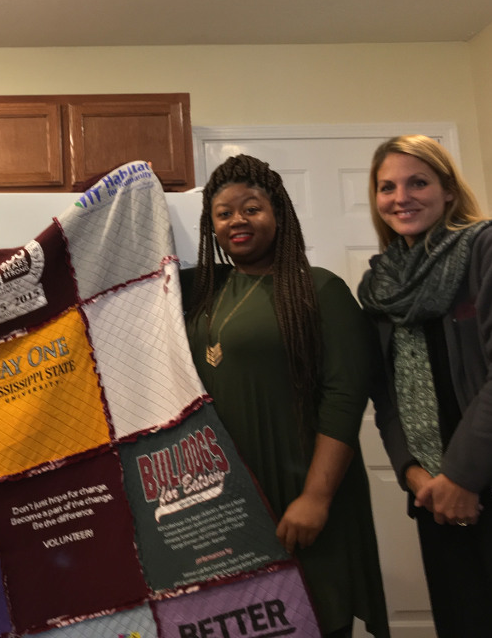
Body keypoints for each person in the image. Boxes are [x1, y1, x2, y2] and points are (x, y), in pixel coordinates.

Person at [182, 154, 389, 638]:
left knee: (313, 618)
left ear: (279, 214)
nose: (237, 220)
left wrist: (316, 497)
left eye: (251, 208)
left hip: (299, 492)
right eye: (224, 213)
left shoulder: (320, 290)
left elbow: (344, 397)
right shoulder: (206, 291)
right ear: (211, 226)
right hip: (229, 502)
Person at [357, 135, 492, 636]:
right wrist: (411, 470)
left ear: (448, 191)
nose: (400, 197)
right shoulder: (382, 284)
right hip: (433, 496)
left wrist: (461, 478)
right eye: (387, 186)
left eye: (418, 182)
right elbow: (384, 392)